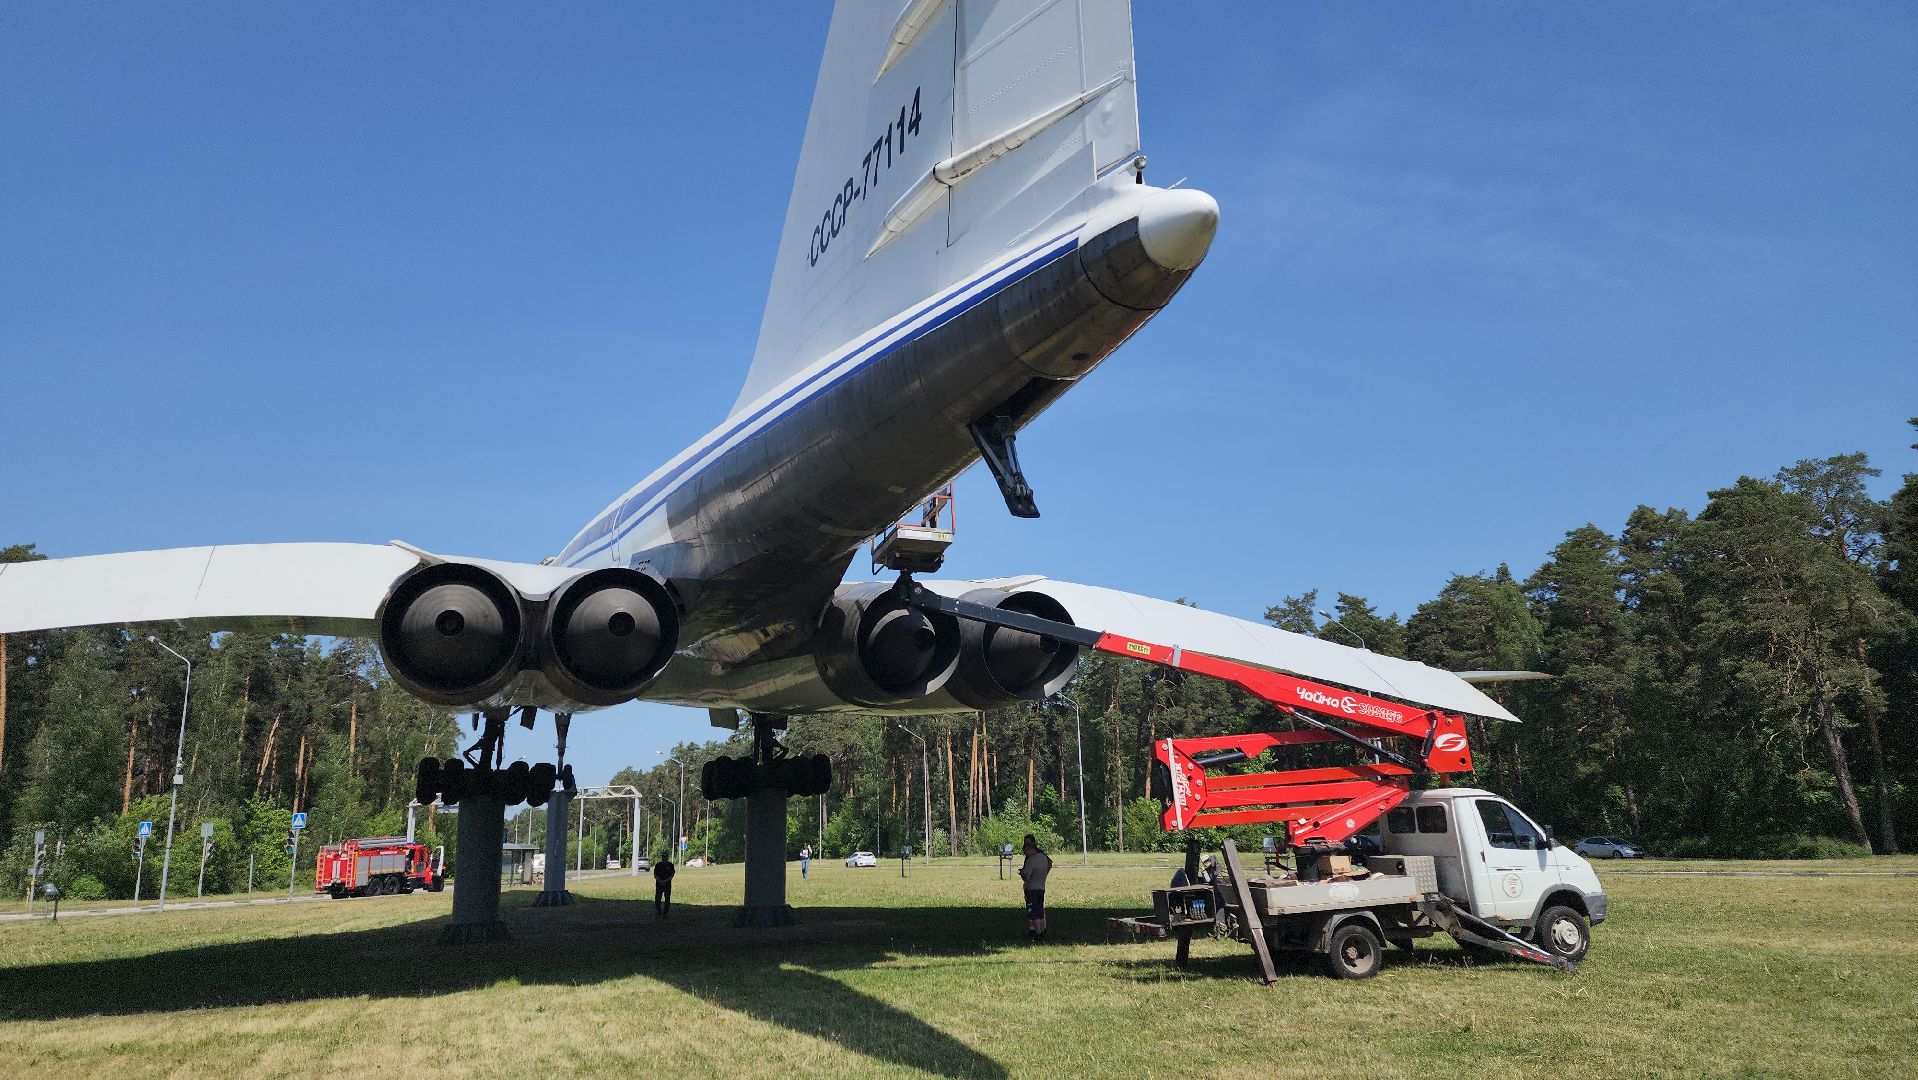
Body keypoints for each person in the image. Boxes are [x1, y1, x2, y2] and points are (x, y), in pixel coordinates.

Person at [1017, 833, 1052, 940]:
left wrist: (1043, 874)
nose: (1026, 846)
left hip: (1033, 887)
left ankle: (1038, 931)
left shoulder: (1036, 856)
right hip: (1037, 887)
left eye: (1028, 843)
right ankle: (1037, 929)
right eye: (1025, 842)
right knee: (1036, 908)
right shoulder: (1031, 857)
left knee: (1034, 910)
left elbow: (1049, 863)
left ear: (1033, 843)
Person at [653, 852, 675, 917]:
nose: (663, 858)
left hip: (667, 884)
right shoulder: (658, 865)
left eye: (664, 857)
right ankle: (659, 913)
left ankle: (665, 914)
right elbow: (655, 875)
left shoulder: (670, 865)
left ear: (667, 857)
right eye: (662, 857)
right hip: (659, 884)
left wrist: (666, 881)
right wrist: (660, 881)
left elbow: (672, 874)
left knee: (667, 899)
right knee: (657, 899)